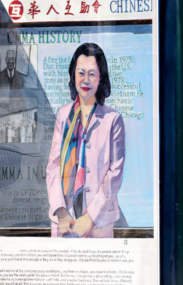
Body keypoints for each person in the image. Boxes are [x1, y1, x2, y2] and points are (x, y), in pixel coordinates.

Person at [46, 42, 125, 238]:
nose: (86, 80)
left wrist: (90, 218)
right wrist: (61, 212)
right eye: (81, 73)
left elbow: (115, 174)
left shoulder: (113, 119)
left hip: (99, 221)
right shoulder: (64, 115)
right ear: (74, 75)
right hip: (65, 220)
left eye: (92, 73)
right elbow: (53, 166)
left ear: (101, 77)